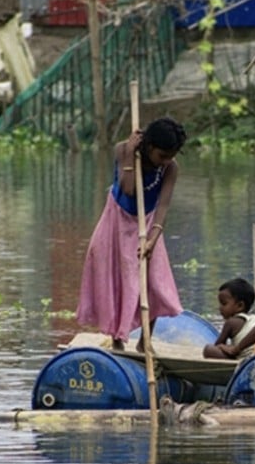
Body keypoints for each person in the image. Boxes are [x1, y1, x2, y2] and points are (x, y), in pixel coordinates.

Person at [76, 117, 187, 350]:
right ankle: (117, 339)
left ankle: (146, 340)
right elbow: (128, 189)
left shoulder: (170, 168)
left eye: (171, 156)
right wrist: (128, 154)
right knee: (116, 277)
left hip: (148, 223)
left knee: (154, 281)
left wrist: (153, 239)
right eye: (162, 156)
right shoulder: (123, 151)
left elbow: (163, 205)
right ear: (148, 147)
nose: (166, 161)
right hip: (116, 221)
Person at [202, 277, 255, 359]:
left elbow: (218, 345)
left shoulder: (231, 322)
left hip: (244, 359)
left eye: (224, 304)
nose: (220, 308)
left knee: (208, 349)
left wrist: (222, 346)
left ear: (240, 306)